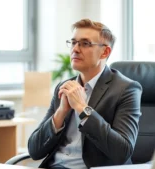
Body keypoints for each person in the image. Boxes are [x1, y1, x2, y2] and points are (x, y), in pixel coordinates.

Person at [28, 19, 142, 169]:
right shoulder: (64, 88)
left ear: (105, 52)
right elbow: (35, 150)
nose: (75, 49)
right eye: (73, 42)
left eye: (85, 43)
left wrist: (83, 109)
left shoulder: (126, 89)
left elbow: (122, 151)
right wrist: (61, 112)